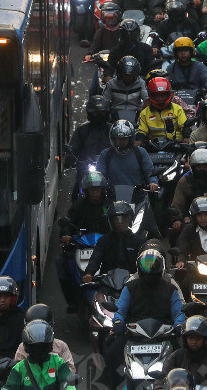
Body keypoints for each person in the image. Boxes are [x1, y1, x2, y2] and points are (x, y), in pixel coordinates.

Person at [103, 249, 186, 388]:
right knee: (111, 355)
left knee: (185, 357)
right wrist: (118, 322)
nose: (150, 269)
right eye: (146, 265)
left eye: (153, 265)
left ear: (161, 266)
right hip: (134, 334)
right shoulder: (130, 287)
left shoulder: (170, 289)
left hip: (164, 335)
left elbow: (178, 312)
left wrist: (179, 325)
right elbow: (121, 309)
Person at [0, 321, 79, 390]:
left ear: (50, 345)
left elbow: (67, 383)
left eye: (43, 347)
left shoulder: (58, 362)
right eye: (35, 347)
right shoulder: (19, 368)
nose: (39, 350)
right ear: (26, 347)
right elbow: (9, 389)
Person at [57, 172, 113, 311]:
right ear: (87, 191)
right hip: (82, 246)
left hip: (105, 246)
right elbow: (68, 223)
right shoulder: (79, 206)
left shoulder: (109, 206)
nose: (95, 192)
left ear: (103, 190)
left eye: (97, 189)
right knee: (61, 262)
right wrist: (66, 234)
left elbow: (118, 221)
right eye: (92, 190)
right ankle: (73, 299)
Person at [83, 200, 145, 280]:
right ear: (111, 221)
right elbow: (95, 258)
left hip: (132, 283)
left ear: (129, 219)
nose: (120, 222)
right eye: (116, 219)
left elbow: (144, 261)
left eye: (123, 219)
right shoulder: (104, 240)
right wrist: (89, 273)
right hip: (107, 283)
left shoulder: (138, 241)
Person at [97, 119, 159, 191]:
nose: (121, 141)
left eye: (124, 139)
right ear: (114, 139)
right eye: (119, 139)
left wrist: (153, 183)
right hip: (112, 198)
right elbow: (100, 175)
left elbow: (150, 172)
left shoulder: (140, 152)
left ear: (130, 138)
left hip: (138, 198)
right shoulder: (106, 154)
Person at [137, 77, 191, 142]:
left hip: (176, 144)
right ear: (151, 95)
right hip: (154, 146)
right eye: (157, 95)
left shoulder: (177, 109)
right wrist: (138, 140)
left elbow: (184, 126)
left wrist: (186, 137)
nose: (160, 98)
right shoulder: (144, 113)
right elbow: (142, 131)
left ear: (168, 95)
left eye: (163, 95)